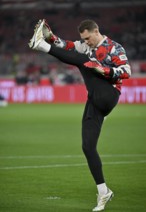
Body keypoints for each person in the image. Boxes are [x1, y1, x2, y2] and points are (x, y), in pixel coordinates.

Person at [28, 19, 131, 211]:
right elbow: (68, 47)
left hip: (109, 94)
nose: (86, 42)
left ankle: (40, 45)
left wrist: (104, 69)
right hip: (94, 101)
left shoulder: (114, 47)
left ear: (96, 31)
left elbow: (127, 72)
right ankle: (103, 192)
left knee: (85, 61)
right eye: (83, 39)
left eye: (88, 38)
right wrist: (53, 38)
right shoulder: (85, 46)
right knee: (87, 146)